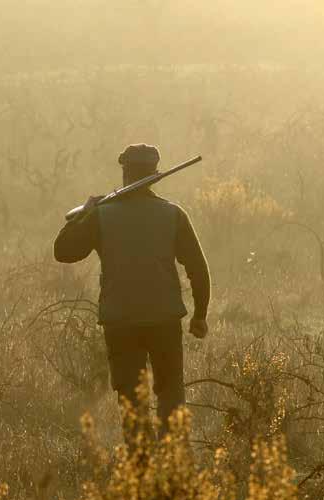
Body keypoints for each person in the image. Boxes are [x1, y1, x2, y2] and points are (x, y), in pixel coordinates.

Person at [54, 143, 211, 438]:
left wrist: (84, 214)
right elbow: (198, 270)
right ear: (154, 173)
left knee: (131, 402)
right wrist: (199, 315)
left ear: (125, 173)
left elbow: (63, 251)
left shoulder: (101, 215)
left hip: (120, 323)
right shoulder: (173, 214)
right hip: (164, 320)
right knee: (171, 396)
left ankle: (139, 472)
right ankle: (173, 467)